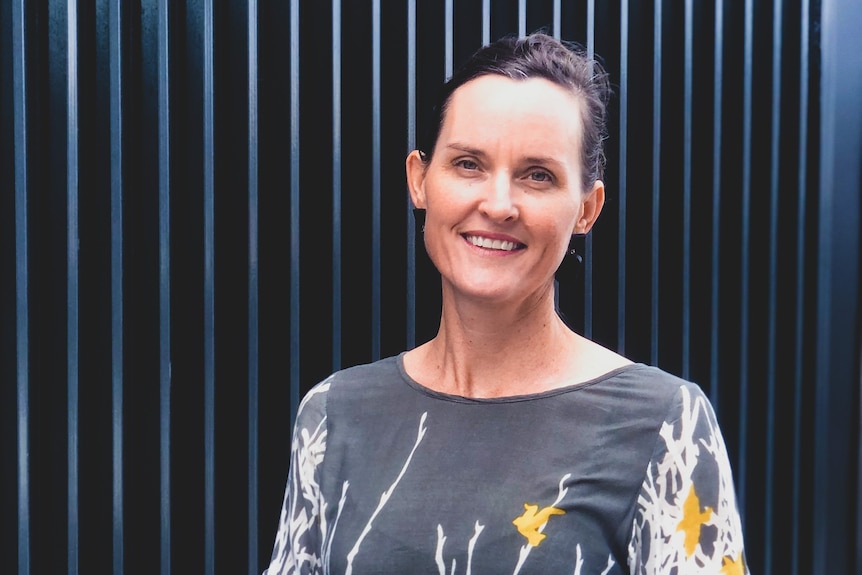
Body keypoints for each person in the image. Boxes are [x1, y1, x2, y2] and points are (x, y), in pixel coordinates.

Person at [264, 33, 748, 574]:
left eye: (537, 175)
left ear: (587, 209)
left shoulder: (665, 425)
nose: (497, 205)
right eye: (468, 164)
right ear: (419, 180)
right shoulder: (333, 415)